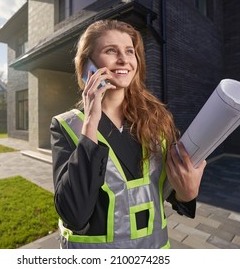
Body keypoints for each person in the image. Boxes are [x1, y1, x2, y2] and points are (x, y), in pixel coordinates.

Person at [50, 19, 207, 249]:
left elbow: (171, 195)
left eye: (130, 51)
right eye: (111, 50)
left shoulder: (157, 120)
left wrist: (188, 193)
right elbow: (74, 214)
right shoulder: (66, 125)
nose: (124, 59)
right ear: (87, 65)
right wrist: (91, 123)